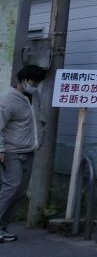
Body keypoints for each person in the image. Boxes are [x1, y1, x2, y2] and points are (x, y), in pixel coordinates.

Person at [0, 65, 47, 243]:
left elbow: (37, 118)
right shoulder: (7, 99)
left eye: (38, 82)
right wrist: (1, 148)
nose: (36, 85)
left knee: (19, 192)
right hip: (11, 151)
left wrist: (42, 128)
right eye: (34, 82)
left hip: (29, 150)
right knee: (11, 187)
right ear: (23, 80)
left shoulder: (34, 97)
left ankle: (3, 227)